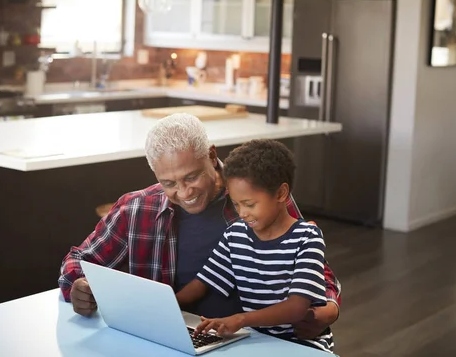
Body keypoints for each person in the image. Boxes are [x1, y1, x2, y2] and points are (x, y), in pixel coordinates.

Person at [58, 113, 341, 339]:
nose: (184, 192)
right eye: (169, 183)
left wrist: (328, 311)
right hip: (176, 336)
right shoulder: (136, 209)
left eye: (191, 177)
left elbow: (313, 266)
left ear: (211, 155)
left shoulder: (258, 195)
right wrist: (78, 286)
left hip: (254, 338)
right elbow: (78, 260)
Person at [175, 138, 334, 353]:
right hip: (254, 340)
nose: (242, 213)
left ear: (280, 194)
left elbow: (297, 307)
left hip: (302, 344)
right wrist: (167, 305)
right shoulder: (235, 234)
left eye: (249, 204)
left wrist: (240, 319)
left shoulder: (307, 238)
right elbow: (203, 283)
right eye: (236, 204)